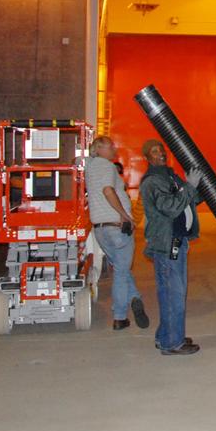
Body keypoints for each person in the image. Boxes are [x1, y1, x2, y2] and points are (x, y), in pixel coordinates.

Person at [138, 138, 202, 355]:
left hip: (175, 240)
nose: (161, 154)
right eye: (155, 152)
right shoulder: (152, 182)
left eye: (162, 150)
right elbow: (170, 207)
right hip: (166, 244)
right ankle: (172, 344)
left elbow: (188, 199)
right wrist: (189, 187)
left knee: (171, 292)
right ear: (147, 158)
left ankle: (167, 335)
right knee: (174, 292)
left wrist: (194, 189)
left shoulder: (168, 175)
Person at [85, 136, 148, 331]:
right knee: (121, 272)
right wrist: (124, 216)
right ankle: (120, 316)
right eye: (110, 146)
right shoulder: (106, 166)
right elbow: (108, 191)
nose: (115, 149)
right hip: (117, 226)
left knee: (120, 268)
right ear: (99, 148)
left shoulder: (91, 165)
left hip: (100, 229)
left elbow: (78, 162)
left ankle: (135, 296)